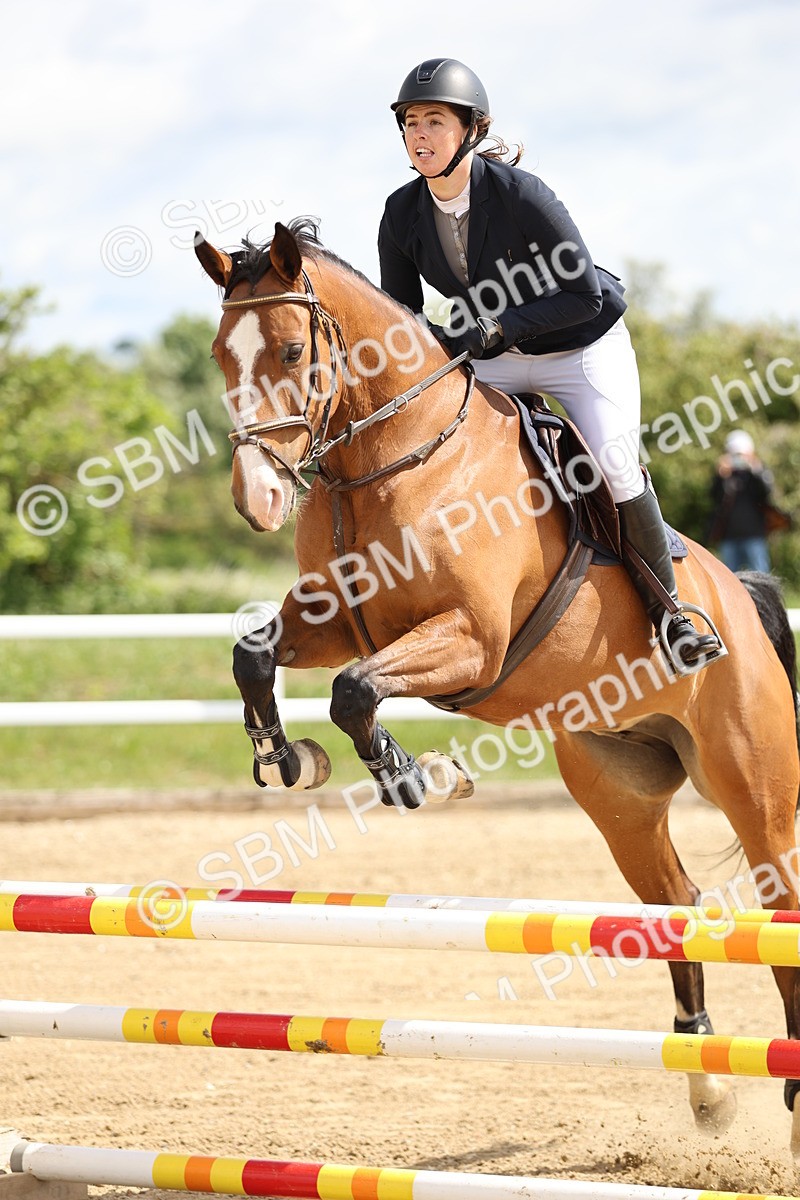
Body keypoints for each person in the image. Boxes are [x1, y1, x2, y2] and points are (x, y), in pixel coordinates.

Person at [378, 56, 721, 672]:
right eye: (410, 122)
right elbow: (405, 318)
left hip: (580, 348)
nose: (419, 134)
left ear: (471, 132)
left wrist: (501, 327)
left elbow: (583, 292)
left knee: (614, 463)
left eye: (434, 120)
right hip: (497, 359)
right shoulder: (400, 213)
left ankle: (673, 615)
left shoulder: (521, 195)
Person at [710, 430, 773, 573]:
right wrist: (721, 476)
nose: (738, 459)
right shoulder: (726, 475)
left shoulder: (757, 472)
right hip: (729, 536)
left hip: (754, 535)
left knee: (761, 577)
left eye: (741, 455)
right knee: (729, 579)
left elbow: (767, 493)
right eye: (735, 455)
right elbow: (714, 497)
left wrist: (755, 469)